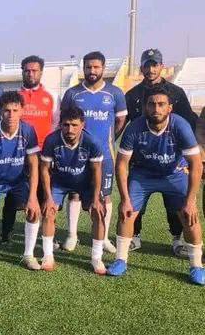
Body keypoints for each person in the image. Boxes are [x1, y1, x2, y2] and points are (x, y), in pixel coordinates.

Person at [108, 88, 204, 285]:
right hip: (143, 174)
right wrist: (125, 199)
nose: (156, 109)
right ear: (145, 107)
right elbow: (122, 164)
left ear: (170, 108)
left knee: (189, 215)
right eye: (151, 104)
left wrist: (190, 201)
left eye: (161, 104)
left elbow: (195, 164)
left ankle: (196, 266)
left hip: (174, 174)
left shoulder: (180, 125)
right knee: (126, 212)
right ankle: (120, 260)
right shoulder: (135, 127)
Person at [125, 48, 198, 255]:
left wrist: (191, 157)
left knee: (174, 203)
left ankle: (177, 239)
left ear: (161, 66)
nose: (151, 69)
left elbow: (189, 123)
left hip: (171, 159)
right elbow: (124, 123)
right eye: (147, 65)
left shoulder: (176, 92)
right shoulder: (132, 95)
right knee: (136, 203)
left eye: (154, 64)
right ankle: (134, 236)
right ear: (141, 68)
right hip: (141, 160)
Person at [59, 51, 126, 253]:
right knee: (75, 193)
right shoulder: (72, 94)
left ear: (103, 68)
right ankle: (72, 235)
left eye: (96, 67)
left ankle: (103, 237)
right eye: (88, 67)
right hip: (76, 154)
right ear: (83, 68)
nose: (92, 71)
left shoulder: (115, 93)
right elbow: (64, 121)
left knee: (105, 196)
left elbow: (120, 121)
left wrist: (108, 139)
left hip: (105, 154)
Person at [0, 91, 41, 270]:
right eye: (6, 110)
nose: (11, 115)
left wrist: (33, 197)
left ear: (22, 111)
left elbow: (34, 165)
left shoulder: (28, 131)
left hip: (18, 181)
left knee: (33, 211)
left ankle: (28, 255)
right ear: (0, 111)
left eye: (15, 110)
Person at [40, 107, 106, 273]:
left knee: (98, 212)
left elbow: (97, 170)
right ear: (60, 125)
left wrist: (96, 199)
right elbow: (44, 169)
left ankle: (96, 258)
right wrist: (48, 198)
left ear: (83, 125)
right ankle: (48, 256)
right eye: (66, 125)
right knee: (48, 212)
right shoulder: (52, 140)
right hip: (60, 182)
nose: (70, 129)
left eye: (75, 125)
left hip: (85, 183)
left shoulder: (92, 142)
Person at [2, 55, 55, 245]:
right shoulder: (15, 97)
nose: (30, 74)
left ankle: (44, 235)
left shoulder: (50, 97)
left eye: (34, 70)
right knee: (12, 194)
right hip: (16, 153)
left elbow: (55, 124)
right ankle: (6, 233)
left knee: (42, 193)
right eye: (27, 70)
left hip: (42, 154)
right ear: (22, 72)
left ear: (41, 72)